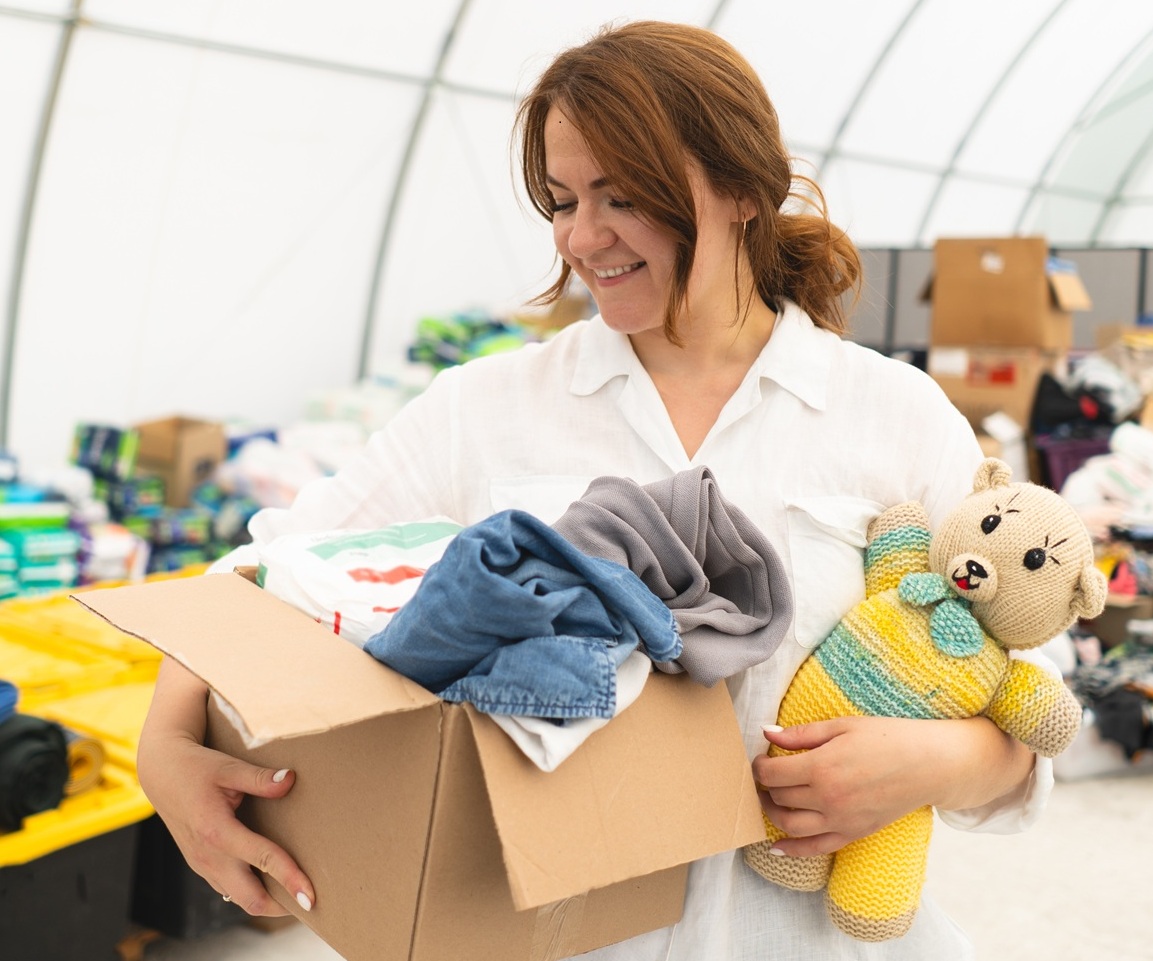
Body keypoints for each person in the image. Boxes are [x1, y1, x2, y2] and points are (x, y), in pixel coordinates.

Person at [137, 20, 1053, 960]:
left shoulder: (890, 413)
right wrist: (164, 747)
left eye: (622, 197)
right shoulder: (485, 409)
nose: (581, 237)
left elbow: (1027, 712)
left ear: (740, 189)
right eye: (562, 199)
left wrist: (929, 761)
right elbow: (266, 568)